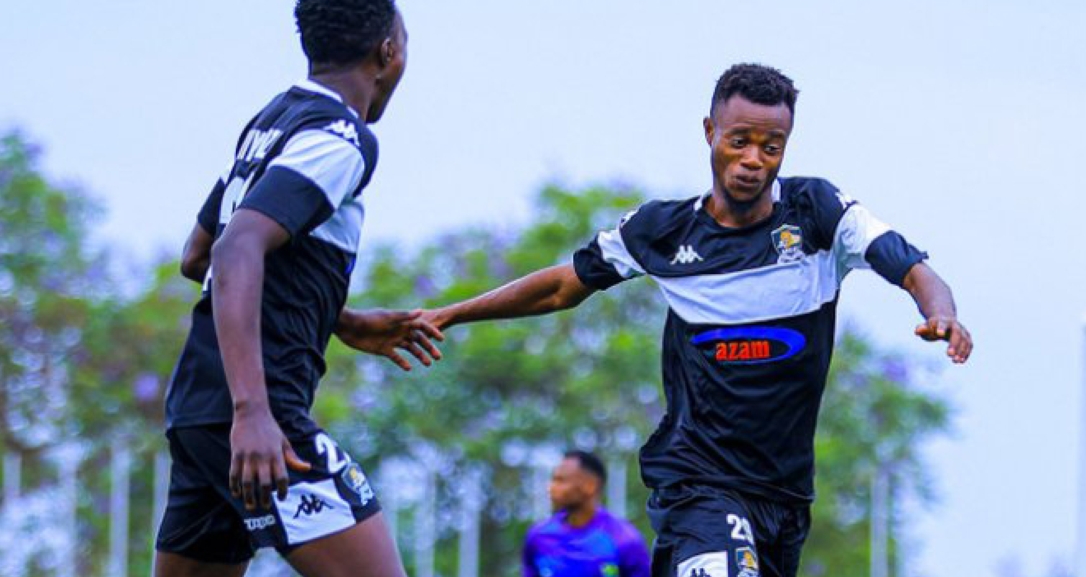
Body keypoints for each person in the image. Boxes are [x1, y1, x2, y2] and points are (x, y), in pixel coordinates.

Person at [392, 63, 973, 577]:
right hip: (697, 484)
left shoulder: (818, 216)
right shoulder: (663, 233)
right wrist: (449, 313)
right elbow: (562, 286)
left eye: (771, 147)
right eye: (739, 140)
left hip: (784, 494)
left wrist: (940, 312)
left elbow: (908, 264)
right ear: (709, 134)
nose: (752, 160)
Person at [155, 0, 443, 577]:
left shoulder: (272, 122)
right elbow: (232, 253)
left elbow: (196, 256)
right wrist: (254, 413)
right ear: (388, 51)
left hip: (199, 409)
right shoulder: (339, 137)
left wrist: (336, 318)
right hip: (259, 416)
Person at [524, 450, 652, 577]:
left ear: (590, 486)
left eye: (560, 480)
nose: (551, 487)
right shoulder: (539, 536)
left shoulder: (624, 539)